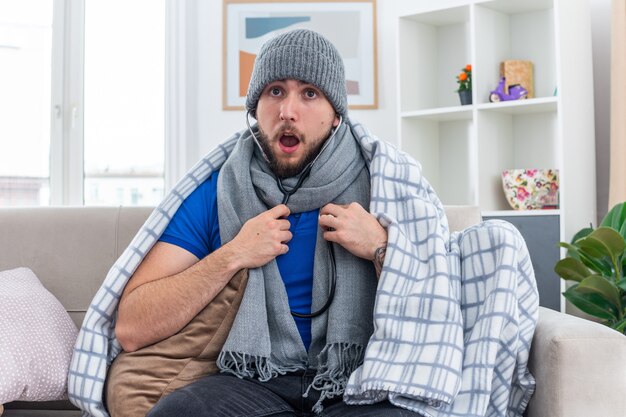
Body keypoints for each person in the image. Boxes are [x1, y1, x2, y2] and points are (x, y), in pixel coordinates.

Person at [108, 29, 538, 417]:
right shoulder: (221, 190)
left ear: (337, 114)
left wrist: (381, 247)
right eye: (275, 91)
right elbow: (131, 327)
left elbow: (437, 305)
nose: (289, 111)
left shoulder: (386, 182)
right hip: (256, 381)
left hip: (362, 383)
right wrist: (233, 254)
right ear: (255, 108)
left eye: (309, 93)